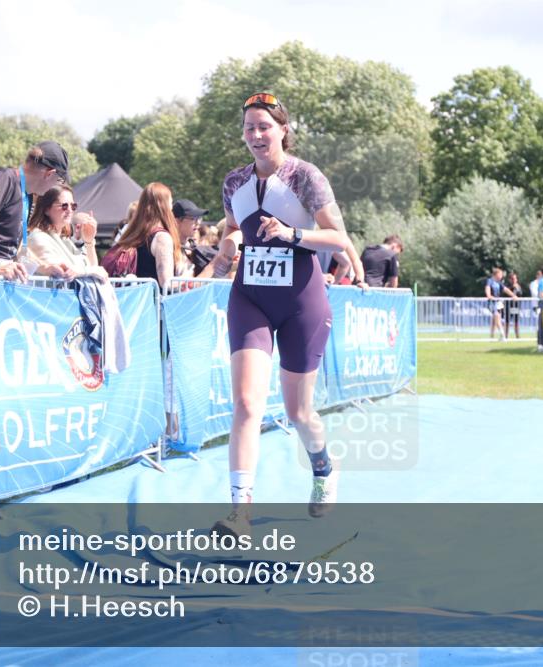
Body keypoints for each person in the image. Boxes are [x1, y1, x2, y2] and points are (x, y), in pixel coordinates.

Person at [208, 92, 350, 537]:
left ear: (283, 130)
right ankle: (240, 514)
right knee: (247, 403)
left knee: (298, 411)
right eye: (249, 127)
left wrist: (292, 233)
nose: (255, 135)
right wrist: (229, 245)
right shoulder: (234, 182)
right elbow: (232, 229)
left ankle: (324, 469)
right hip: (250, 295)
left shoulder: (306, 177)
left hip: (300, 301)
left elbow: (339, 239)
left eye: (264, 126)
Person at [0, 141, 69, 260]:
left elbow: (18, 248)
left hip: (2, 273)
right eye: (59, 180)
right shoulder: (4, 179)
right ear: (49, 174)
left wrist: (46, 267)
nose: (56, 186)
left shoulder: (28, 196)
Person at [108, 183, 192, 286]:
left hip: (132, 297)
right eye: (171, 203)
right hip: (152, 300)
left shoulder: (134, 233)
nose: (172, 208)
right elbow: (166, 283)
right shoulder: (162, 237)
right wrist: (186, 278)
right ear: (164, 206)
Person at [26, 185, 104, 279]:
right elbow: (63, 272)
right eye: (64, 206)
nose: (70, 210)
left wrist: (89, 242)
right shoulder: (38, 238)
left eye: (73, 206)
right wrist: (97, 271)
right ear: (46, 209)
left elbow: (92, 268)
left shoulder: (65, 240)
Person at [484, 267, 516, 341]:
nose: (501, 276)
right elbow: (487, 288)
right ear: (496, 274)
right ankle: (502, 335)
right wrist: (488, 295)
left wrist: (513, 295)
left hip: (497, 303)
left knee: (494, 319)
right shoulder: (490, 281)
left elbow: (506, 289)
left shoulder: (499, 283)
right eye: (500, 274)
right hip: (492, 303)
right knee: (497, 317)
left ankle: (491, 336)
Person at [504, 272, 522, 338]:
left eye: (515, 278)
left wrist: (516, 288)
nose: (514, 280)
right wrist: (512, 287)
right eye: (512, 279)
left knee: (516, 321)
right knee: (507, 321)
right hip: (508, 305)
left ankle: (517, 336)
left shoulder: (518, 286)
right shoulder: (506, 286)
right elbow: (505, 293)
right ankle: (505, 336)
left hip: (515, 306)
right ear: (509, 279)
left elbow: (520, 294)